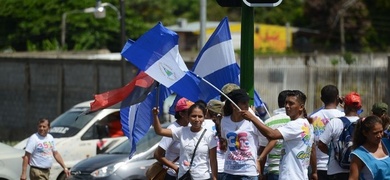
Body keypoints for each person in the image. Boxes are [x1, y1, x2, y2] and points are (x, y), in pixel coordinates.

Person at [241, 90, 317, 180]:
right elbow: (312, 149)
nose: (287, 106)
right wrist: (314, 171)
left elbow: (272, 135)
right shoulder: (307, 124)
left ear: (301, 107)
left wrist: (252, 118)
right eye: (286, 103)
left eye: (291, 103)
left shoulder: (296, 125)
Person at [152, 103, 218, 180]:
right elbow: (159, 131)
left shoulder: (209, 135)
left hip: (202, 177)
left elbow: (213, 160)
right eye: (193, 116)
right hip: (184, 176)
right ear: (188, 117)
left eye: (200, 116)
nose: (197, 119)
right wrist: (155, 116)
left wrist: (214, 178)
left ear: (204, 117)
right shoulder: (182, 131)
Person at [220, 89, 268, 180]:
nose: (247, 106)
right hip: (229, 171)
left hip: (248, 171)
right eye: (243, 103)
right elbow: (225, 139)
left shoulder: (253, 120)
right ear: (233, 105)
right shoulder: (224, 121)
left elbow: (266, 140)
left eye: (247, 103)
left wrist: (259, 159)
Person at [318, 91, 361, 179]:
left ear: (345, 106)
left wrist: (333, 153)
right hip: (357, 170)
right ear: (359, 107)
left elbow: (321, 144)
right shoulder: (363, 123)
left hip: (336, 171)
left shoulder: (335, 122)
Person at [154, 97, 194, 180]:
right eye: (189, 112)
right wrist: (175, 168)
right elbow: (157, 154)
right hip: (173, 175)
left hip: (187, 173)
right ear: (181, 114)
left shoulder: (191, 127)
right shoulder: (173, 129)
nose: (192, 114)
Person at [310, 85, 345, 179]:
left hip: (318, 166)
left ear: (321, 99)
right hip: (338, 166)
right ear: (337, 98)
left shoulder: (312, 118)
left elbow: (311, 145)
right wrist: (344, 106)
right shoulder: (344, 116)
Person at [258, 90, 291, 180]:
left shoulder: (269, 122)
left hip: (273, 170)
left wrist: (261, 172)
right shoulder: (296, 122)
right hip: (292, 171)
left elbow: (263, 148)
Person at [349, 115, 390, 180]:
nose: (379, 135)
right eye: (375, 133)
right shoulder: (359, 155)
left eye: (381, 131)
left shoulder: (387, 143)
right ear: (365, 133)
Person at [206, 99, 227, 180]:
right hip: (226, 169)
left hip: (210, 170)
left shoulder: (203, 125)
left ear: (207, 111)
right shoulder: (227, 124)